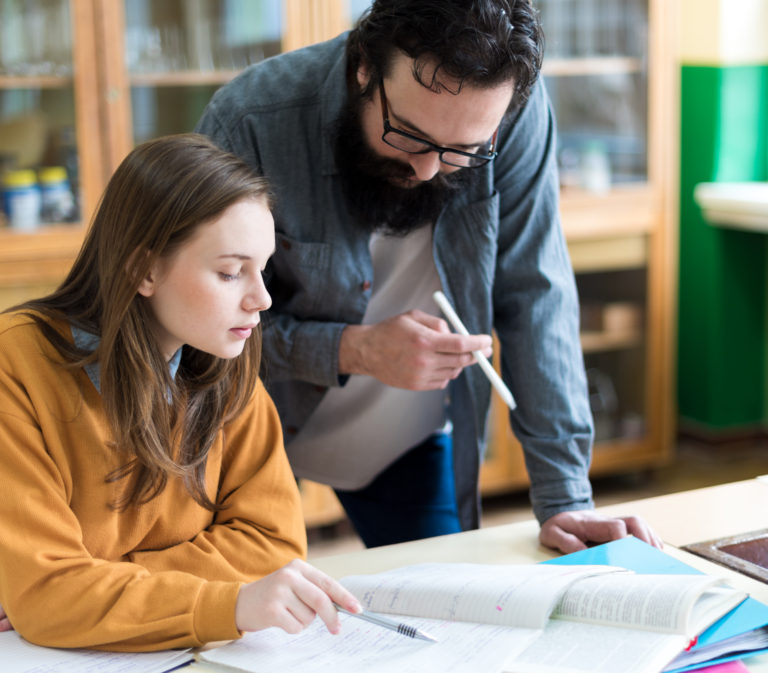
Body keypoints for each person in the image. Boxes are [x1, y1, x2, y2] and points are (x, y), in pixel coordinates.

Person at [196, 0, 661, 553]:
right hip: (254, 425)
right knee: (250, 614)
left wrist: (565, 499)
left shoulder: (512, 113)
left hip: (403, 438)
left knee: (446, 611)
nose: (428, 170)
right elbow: (198, 330)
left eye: (464, 151)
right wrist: (353, 350)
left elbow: (536, 295)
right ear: (363, 66)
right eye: (409, 136)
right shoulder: (251, 119)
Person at [0, 134, 361, 651]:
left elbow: (275, 546)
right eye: (231, 272)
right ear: (143, 269)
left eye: (263, 269)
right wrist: (230, 602)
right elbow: (48, 594)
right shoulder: (15, 366)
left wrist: (93, 585)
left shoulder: (226, 362)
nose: (260, 300)